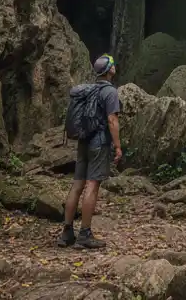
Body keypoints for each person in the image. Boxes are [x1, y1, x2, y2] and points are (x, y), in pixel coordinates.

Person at [60, 53, 122, 249]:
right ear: (109, 70)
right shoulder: (110, 92)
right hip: (99, 143)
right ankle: (84, 234)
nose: (115, 66)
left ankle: (66, 232)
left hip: (83, 141)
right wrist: (118, 146)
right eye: (113, 64)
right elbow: (112, 120)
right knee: (92, 185)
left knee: (77, 185)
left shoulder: (89, 90)